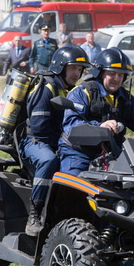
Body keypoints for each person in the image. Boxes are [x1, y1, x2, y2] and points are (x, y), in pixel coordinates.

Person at [21, 44, 91, 235]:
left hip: (57, 141)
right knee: (48, 160)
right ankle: (34, 213)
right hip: (34, 141)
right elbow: (39, 127)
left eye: (79, 69)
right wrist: (62, 142)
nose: (77, 73)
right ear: (60, 66)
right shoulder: (47, 87)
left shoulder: (71, 90)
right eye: (73, 68)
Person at [58, 48, 134, 176]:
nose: (117, 78)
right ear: (100, 73)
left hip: (112, 152)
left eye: (121, 75)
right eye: (112, 73)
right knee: (74, 184)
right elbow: (72, 125)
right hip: (78, 151)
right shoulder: (82, 92)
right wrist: (100, 127)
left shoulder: (126, 98)